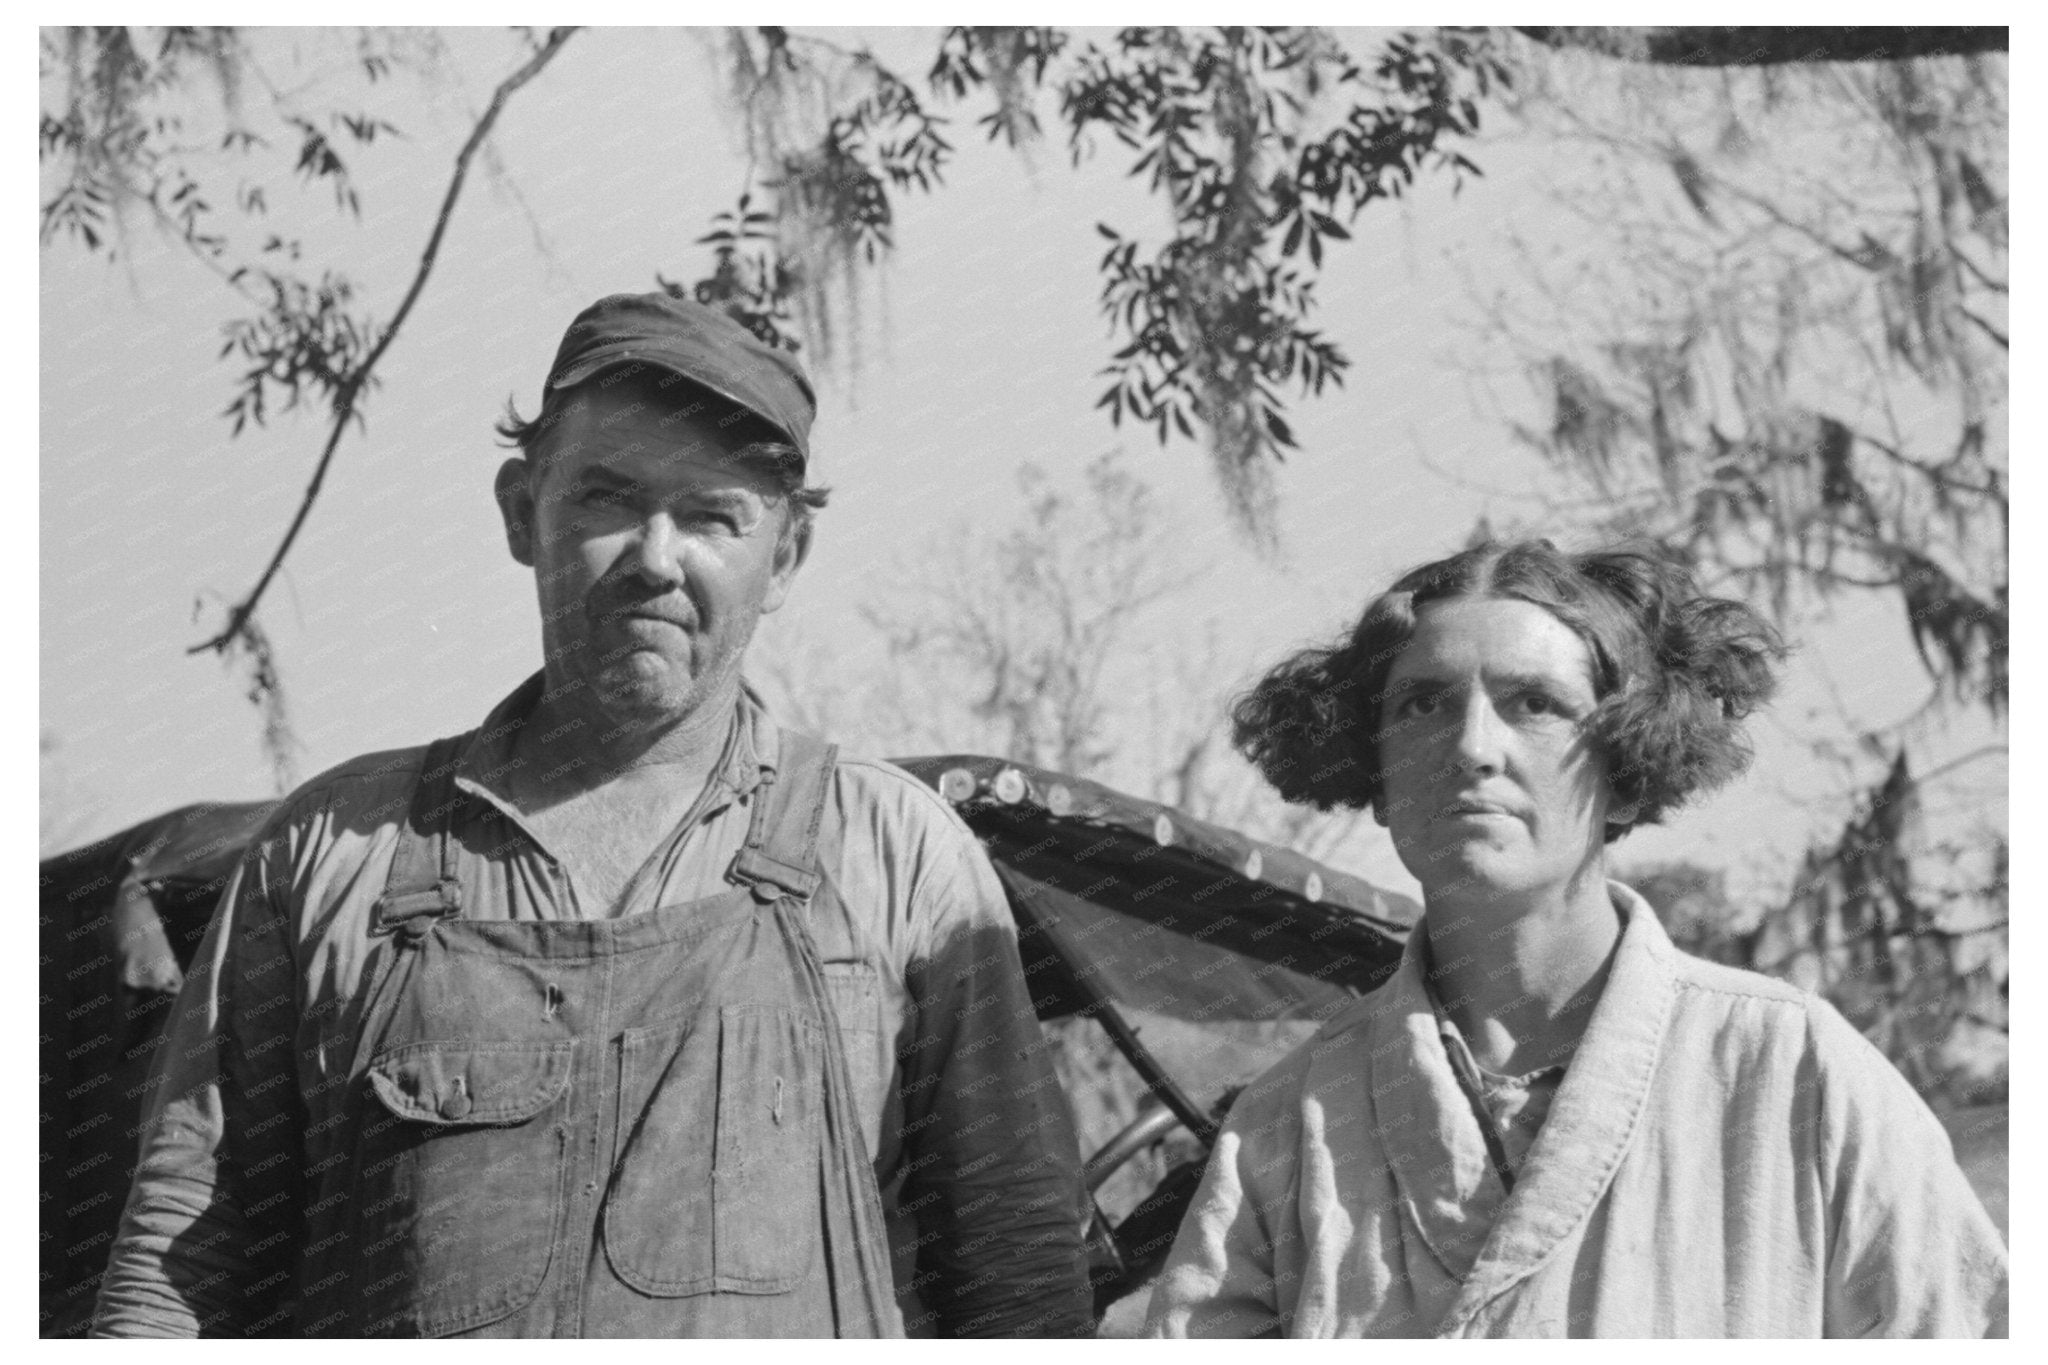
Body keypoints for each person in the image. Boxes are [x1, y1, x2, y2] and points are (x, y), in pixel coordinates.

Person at [94, 292, 1092, 1338]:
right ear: (523, 513)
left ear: (784, 558)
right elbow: (181, 1265)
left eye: (713, 516)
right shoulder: (334, 852)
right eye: (607, 500)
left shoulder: (897, 857)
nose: (655, 558)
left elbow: (1020, 1279)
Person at [1146, 539, 2007, 1338]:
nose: (1473, 746)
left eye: (1535, 703)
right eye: (1422, 704)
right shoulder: (1287, 1124)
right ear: (1376, 779)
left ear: (1627, 773)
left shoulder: (1790, 1071)